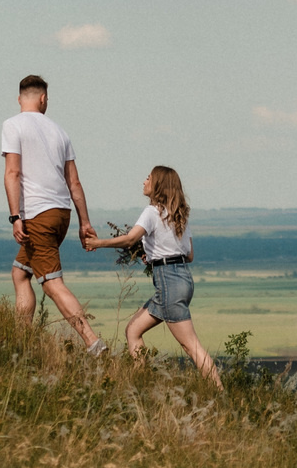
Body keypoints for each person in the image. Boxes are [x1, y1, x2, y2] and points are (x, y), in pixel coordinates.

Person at [84, 164, 219, 385]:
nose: (144, 182)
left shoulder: (151, 212)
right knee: (133, 330)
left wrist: (98, 243)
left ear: (157, 185)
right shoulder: (178, 217)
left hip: (168, 282)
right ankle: (140, 381)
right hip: (183, 278)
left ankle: (219, 392)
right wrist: (154, 255)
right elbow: (190, 255)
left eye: (148, 178)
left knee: (191, 345)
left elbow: (130, 239)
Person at [0, 73, 105, 353]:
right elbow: (75, 183)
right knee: (20, 273)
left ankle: (93, 342)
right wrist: (85, 223)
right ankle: (23, 340)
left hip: (36, 214)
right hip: (62, 214)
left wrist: (15, 216)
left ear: (20, 99)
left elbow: (12, 172)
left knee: (51, 282)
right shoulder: (60, 132)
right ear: (43, 99)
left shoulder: (12, 125)